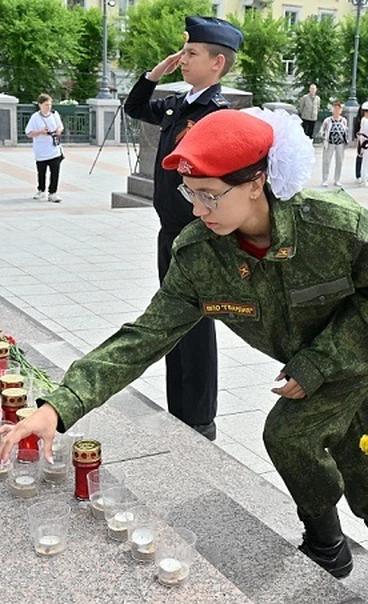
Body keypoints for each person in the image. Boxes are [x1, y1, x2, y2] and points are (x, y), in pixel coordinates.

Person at [0, 107, 368, 578]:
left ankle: (327, 546)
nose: (197, 210)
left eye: (210, 196)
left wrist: (316, 363)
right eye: (189, 193)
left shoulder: (336, 227)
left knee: (290, 431)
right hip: (306, 352)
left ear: (256, 181)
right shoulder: (201, 252)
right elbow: (147, 334)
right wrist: (59, 406)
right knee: (350, 422)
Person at [123, 16, 243, 441]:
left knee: (194, 323)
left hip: (195, 234)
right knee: (176, 322)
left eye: (192, 54)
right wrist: (156, 73)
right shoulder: (178, 104)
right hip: (167, 232)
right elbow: (135, 107)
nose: (184, 60)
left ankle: (199, 415)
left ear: (217, 63)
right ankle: (182, 408)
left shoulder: (215, 114)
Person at [25, 93, 64, 203]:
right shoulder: (35, 117)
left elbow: (60, 126)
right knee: (41, 172)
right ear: (40, 105)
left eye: (50, 104)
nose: (49, 107)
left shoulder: (55, 114)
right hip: (41, 149)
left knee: (55, 172)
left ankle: (53, 193)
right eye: (46, 104)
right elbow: (29, 133)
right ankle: (41, 190)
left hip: (54, 148)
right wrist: (41, 132)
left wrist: (58, 131)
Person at [319, 100, 347, 187]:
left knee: (339, 162)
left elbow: (346, 131)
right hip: (329, 143)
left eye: (339, 109)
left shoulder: (343, 120)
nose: (337, 111)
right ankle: (324, 179)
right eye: (335, 109)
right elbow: (321, 131)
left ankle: (337, 179)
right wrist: (325, 137)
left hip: (340, 143)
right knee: (326, 161)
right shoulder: (327, 120)